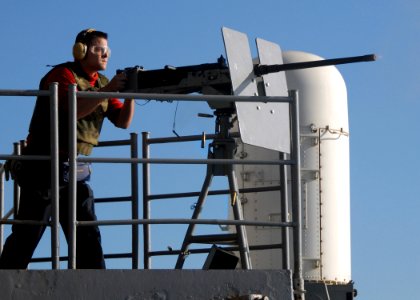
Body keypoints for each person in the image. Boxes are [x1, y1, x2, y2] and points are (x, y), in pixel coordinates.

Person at [0, 29, 135, 269]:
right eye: (98, 49)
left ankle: (94, 282)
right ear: (80, 51)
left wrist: (131, 94)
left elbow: (122, 122)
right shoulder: (63, 74)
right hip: (43, 165)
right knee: (29, 231)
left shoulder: (103, 83)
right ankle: (6, 276)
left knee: (87, 232)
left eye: (107, 50)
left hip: (73, 168)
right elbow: (70, 111)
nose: (105, 55)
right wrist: (109, 90)